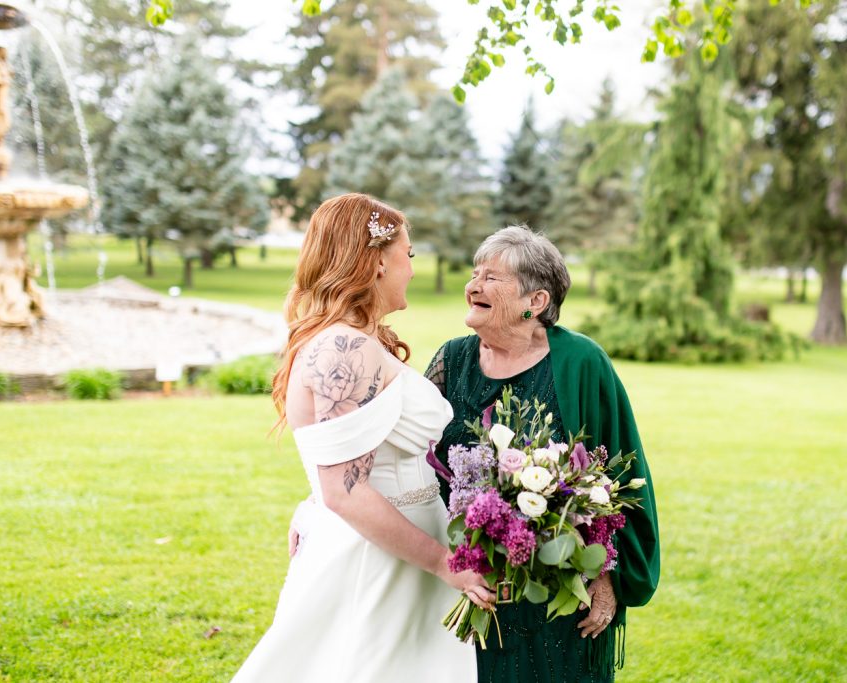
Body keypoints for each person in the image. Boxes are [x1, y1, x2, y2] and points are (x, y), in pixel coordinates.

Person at [231, 193, 490, 683]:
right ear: (377, 262)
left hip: (399, 550)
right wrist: (442, 562)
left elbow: (346, 463)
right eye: (408, 254)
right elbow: (345, 491)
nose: (412, 269)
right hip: (376, 560)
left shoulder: (355, 339)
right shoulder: (343, 347)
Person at [426, 226, 660, 683]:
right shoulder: (451, 360)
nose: (473, 285)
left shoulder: (581, 362)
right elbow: (403, 452)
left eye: (492, 277)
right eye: (474, 274)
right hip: (473, 583)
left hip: (563, 591)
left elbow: (618, 474)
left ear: (535, 301)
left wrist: (606, 577)